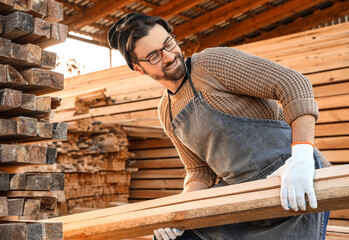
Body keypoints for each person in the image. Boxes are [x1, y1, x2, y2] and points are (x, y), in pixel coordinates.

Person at [108, 13, 331, 240]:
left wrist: (302, 157)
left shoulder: (211, 65)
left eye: (168, 43)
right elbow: (199, 171)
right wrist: (178, 215)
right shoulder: (167, 113)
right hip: (240, 194)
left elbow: (294, 83)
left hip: (290, 177)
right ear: (138, 68)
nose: (168, 56)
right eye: (154, 56)